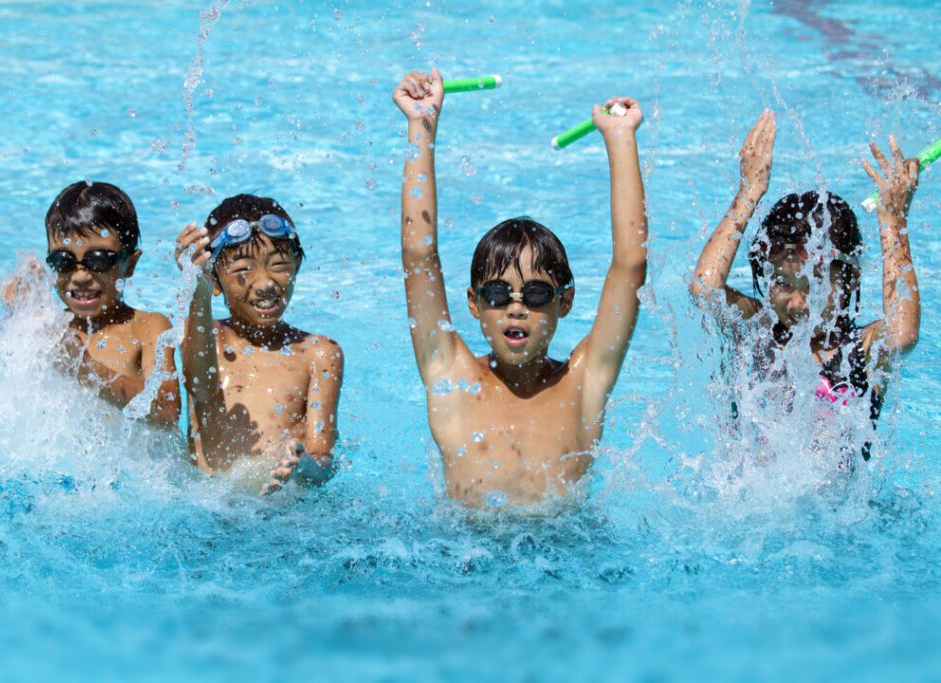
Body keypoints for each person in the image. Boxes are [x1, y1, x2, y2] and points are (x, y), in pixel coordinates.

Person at [393, 68, 649, 507]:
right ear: (474, 303)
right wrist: (421, 126)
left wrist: (621, 138)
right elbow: (419, 256)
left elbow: (630, 265)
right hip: (464, 562)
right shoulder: (451, 375)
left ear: (564, 301)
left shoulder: (584, 381)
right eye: (496, 294)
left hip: (563, 559)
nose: (515, 308)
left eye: (535, 295)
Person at [690, 110, 920, 462]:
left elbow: (903, 333)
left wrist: (892, 220)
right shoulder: (756, 329)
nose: (797, 303)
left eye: (812, 286)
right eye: (782, 283)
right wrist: (749, 192)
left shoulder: (863, 350)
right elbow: (705, 290)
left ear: (849, 279)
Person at [175, 194, 342, 493]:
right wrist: (196, 290)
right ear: (214, 280)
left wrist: (303, 467)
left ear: (297, 265)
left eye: (278, 265)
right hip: (210, 509)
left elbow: (322, 461)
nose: (265, 284)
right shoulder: (208, 338)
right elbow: (198, 384)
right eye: (243, 270)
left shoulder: (319, 353)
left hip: (285, 511)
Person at [3, 180, 180, 427]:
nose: (81, 276)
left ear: (129, 264)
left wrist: (85, 368)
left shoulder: (147, 327)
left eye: (98, 260)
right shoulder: (50, 329)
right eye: (63, 261)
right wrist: (16, 319)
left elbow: (167, 412)